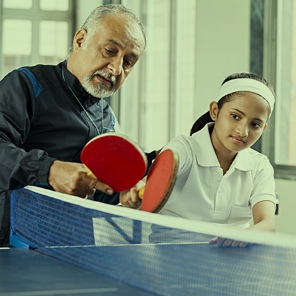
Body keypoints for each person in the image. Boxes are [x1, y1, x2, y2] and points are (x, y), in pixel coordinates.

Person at [0, 4, 149, 247]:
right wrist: (50, 170)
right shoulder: (26, 84)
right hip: (12, 245)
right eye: (110, 50)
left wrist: (121, 196)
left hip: (73, 248)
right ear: (80, 40)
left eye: (129, 62)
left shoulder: (106, 117)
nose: (116, 68)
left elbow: (96, 192)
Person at [120, 72, 277, 247]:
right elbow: (153, 179)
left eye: (254, 124)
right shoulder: (184, 148)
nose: (243, 131)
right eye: (235, 116)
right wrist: (138, 190)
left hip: (234, 260)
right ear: (215, 111)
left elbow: (267, 224)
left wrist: (243, 235)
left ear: (263, 128)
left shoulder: (260, 165)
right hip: (173, 258)